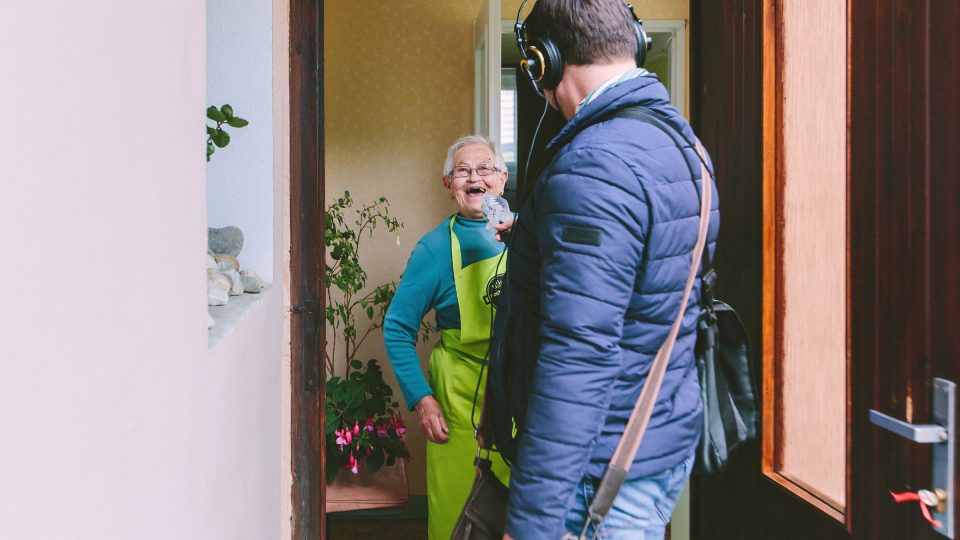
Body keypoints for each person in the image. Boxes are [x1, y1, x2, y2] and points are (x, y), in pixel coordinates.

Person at [487, 1, 720, 539]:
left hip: (596, 474)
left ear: (544, 62)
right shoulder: (684, 144)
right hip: (654, 444)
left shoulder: (594, 166)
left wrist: (531, 524)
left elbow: (579, 356)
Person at [382, 135, 512, 540]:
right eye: (462, 171)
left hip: (518, 393)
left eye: (485, 168)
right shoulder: (435, 249)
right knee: (460, 515)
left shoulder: (524, 236)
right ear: (448, 184)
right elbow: (397, 327)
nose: (475, 178)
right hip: (460, 398)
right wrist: (422, 400)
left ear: (502, 179)